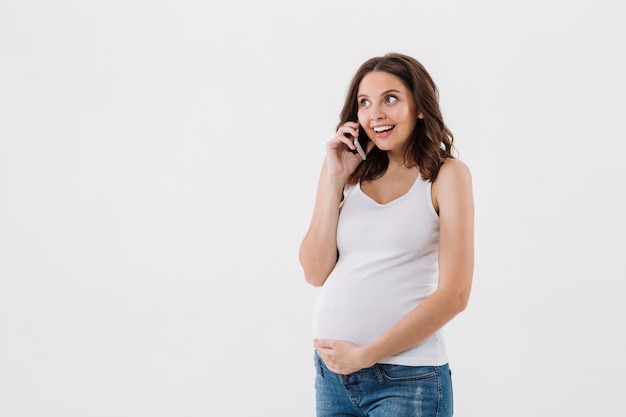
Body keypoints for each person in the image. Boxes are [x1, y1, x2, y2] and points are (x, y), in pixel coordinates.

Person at [299, 53, 474, 417]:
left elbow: (455, 295)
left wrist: (366, 355)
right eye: (365, 103)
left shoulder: (446, 176)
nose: (375, 113)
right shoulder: (349, 174)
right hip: (333, 377)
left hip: (408, 379)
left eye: (390, 99)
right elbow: (315, 271)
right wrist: (332, 178)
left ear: (420, 107)